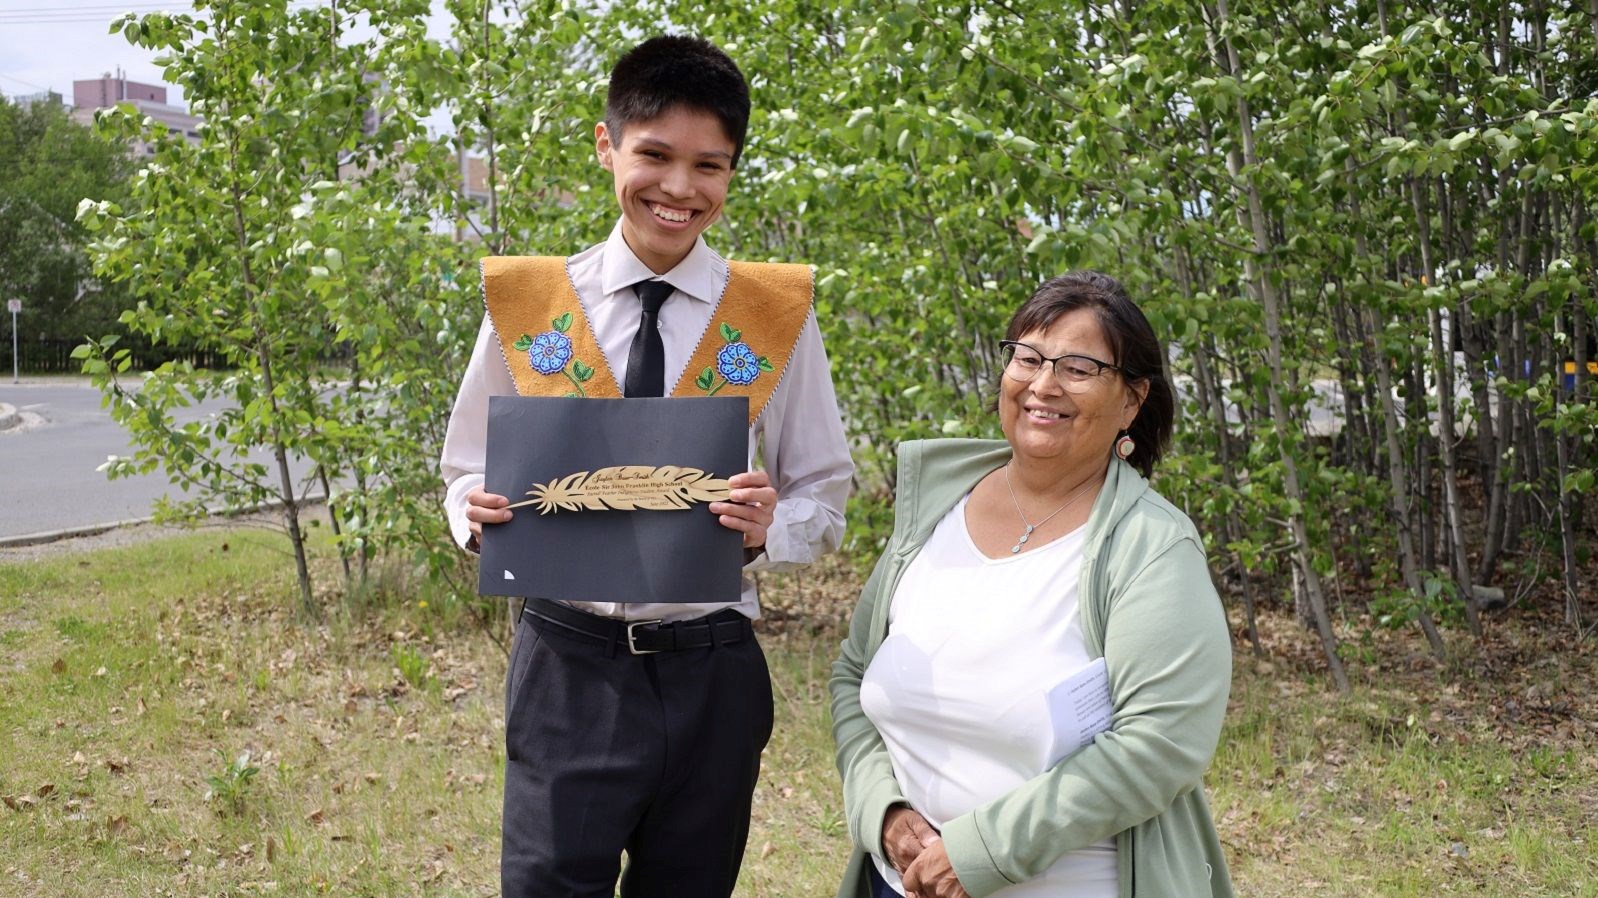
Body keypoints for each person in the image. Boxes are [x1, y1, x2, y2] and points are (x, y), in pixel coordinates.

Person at [439, 34, 853, 898]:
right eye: (655, 155)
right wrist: (467, 512)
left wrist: (771, 530)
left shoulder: (775, 315)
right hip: (566, 662)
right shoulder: (532, 302)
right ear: (607, 147)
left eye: (709, 165)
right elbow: (463, 467)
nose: (679, 188)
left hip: (712, 671)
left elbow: (825, 494)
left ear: (732, 172)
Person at [830, 271, 1233, 898]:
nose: (1043, 385)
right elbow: (853, 677)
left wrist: (979, 852)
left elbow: (1161, 746)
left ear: (1131, 400)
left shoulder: (1152, 547)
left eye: (1078, 367)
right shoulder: (935, 509)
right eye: (1028, 357)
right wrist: (883, 810)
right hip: (899, 882)